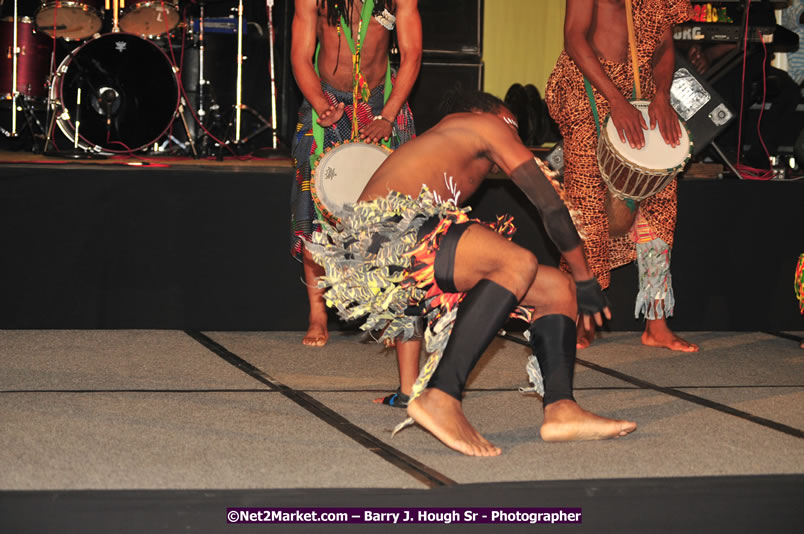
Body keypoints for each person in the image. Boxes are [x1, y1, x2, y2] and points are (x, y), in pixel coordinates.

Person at [307, 92, 637, 456]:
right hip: (384, 233)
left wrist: (573, 283)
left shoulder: (440, 152)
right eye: (510, 125)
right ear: (483, 114)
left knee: (556, 288)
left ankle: (562, 408)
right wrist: (586, 277)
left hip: (385, 258)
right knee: (517, 262)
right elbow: (550, 207)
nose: (513, 136)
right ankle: (443, 394)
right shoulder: (482, 125)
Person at [545, 0, 699, 352]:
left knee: (661, 197)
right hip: (588, 85)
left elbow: (663, 47)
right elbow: (574, 39)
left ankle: (656, 323)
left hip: (640, 87)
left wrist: (661, 96)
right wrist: (615, 99)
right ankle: (581, 318)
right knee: (586, 204)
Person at [290, 0, 422, 346]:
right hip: (327, 100)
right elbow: (301, 57)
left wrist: (389, 116)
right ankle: (318, 314)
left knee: (393, 213)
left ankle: (388, 309)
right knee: (316, 206)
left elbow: (411, 56)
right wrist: (320, 105)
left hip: (382, 102)